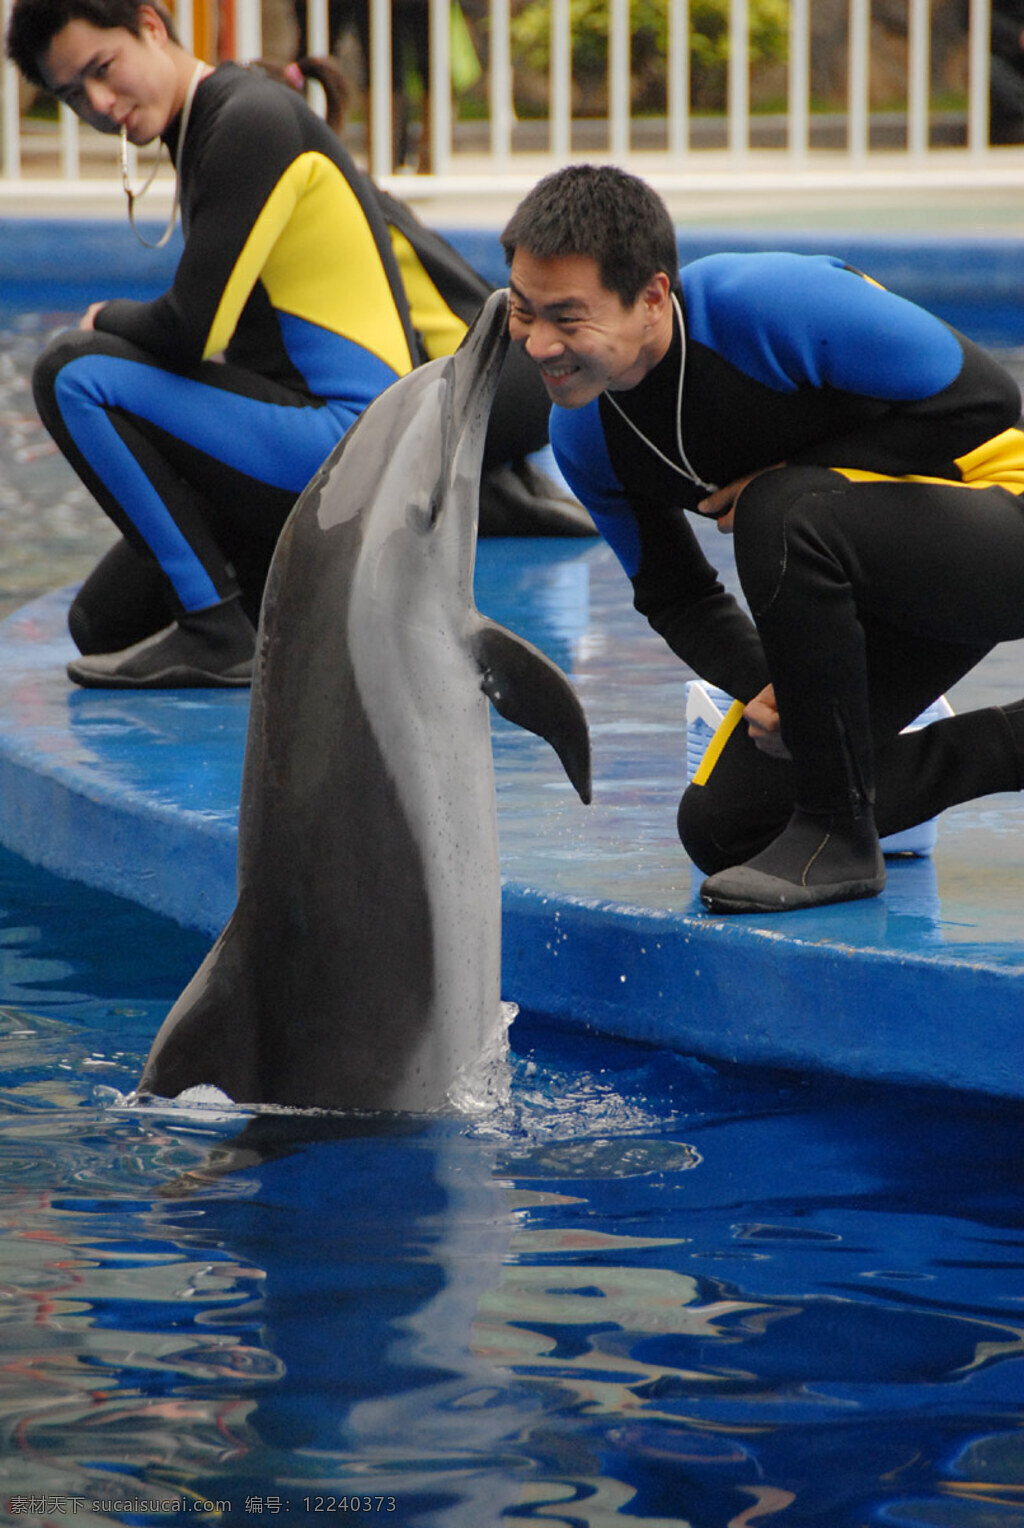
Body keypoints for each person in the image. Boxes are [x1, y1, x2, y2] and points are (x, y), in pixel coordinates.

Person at [5, 0, 586, 691]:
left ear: (151, 27)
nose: (98, 104)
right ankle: (259, 607)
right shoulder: (201, 131)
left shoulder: (245, 119)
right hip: (327, 442)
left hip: (352, 447)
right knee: (104, 624)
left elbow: (189, 331)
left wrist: (106, 317)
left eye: (103, 69)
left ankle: (215, 631)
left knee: (74, 371)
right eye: (73, 94)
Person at [499, 163, 1024, 914]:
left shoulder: (764, 308)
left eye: (568, 317)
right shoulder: (585, 435)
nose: (539, 344)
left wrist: (801, 474)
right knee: (727, 825)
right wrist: (773, 688)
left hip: (999, 517)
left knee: (781, 510)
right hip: (867, 577)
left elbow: (986, 399)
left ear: (652, 297)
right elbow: (677, 594)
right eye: (524, 311)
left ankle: (838, 837)